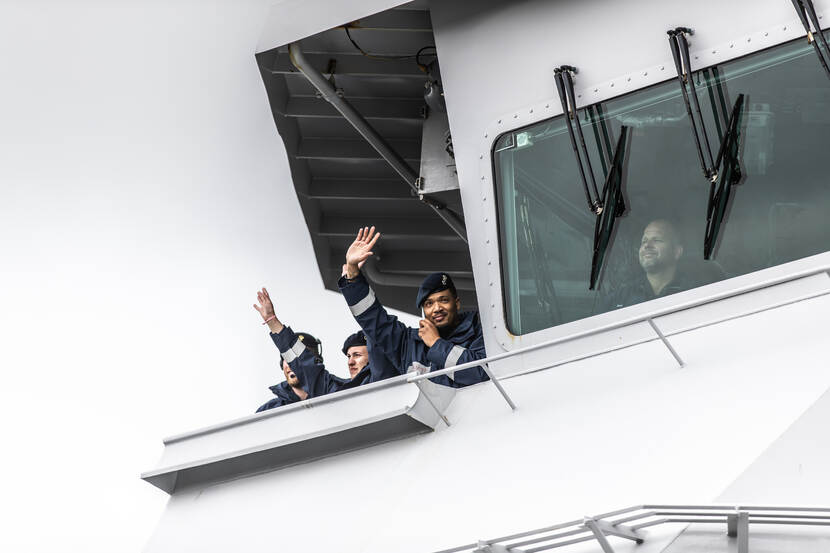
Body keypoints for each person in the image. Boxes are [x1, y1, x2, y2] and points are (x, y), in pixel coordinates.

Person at [337, 226, 488, 388]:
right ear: (424, 310)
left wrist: (436, 343)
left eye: (443, 300)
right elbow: (374, 320)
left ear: (456, 303)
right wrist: (352, 275)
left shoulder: (482, 332)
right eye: (429, 304)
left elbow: (481, 374)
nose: (437, 308)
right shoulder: (408, 344)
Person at [253, 288, 398, 406]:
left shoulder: (382, 377)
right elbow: (306, 366)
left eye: (357, 355)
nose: (350, 362)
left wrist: (354, 283)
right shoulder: (335, 391)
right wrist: (272, 321)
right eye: (348, 356)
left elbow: (375, 326)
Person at [607, 219, 697, 309]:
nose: (647, 245)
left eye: (656, 240)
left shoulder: (694, 293)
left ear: (676, 252)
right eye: (644, 241)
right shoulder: (619, 298)